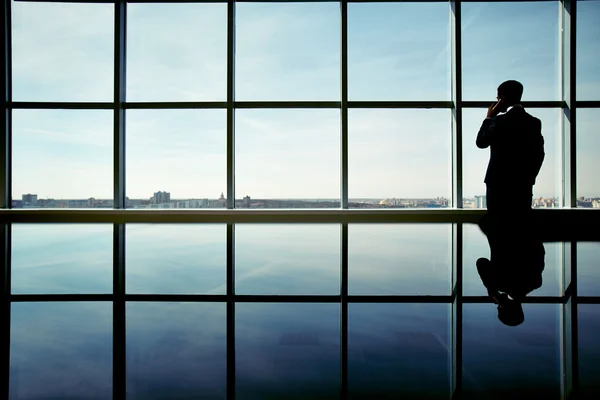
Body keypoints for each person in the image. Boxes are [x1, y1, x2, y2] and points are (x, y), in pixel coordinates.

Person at [476, 80, 545, 214]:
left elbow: (481, 142)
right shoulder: (534, 122)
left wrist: (488, 118)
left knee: (498, 229)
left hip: (497, 186)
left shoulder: (498, 122)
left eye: (497, 98)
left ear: (502, 99)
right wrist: (529, 178)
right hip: (523, 186)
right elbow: (539, 155)